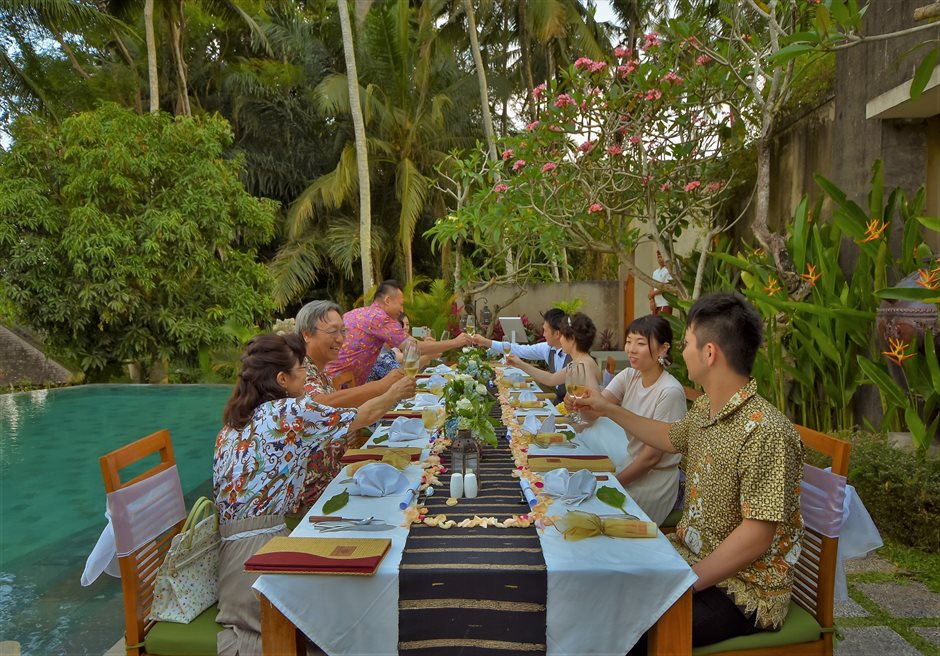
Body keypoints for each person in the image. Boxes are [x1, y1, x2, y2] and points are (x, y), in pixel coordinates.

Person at [574, 293, 804, 649]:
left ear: (709, 353)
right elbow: (667, 436)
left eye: (685, 344)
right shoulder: (706, 411)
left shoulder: (766, 431)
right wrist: (607, 408)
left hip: (741, 590)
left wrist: (683, 582)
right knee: (599, 578)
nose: (679, 353)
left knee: (626, 628)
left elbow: (757, 535)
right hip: (686, 556)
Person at [213, 333, 414, 655]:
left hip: (238, 552)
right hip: (256, 562)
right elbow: (364, 416)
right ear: (282, 379)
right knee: (338, 612)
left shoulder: (238, 420)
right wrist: (394, 392)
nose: (307, 375)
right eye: (301, 368)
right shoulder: (285, 413)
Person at [294, 300, 415, 507]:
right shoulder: (299, 370)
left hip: (337, 476)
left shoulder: (322, 372)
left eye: (343, 331)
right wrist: (382, 388)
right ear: (306, 334)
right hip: (313, 495)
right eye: (333, 332)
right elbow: (318, 406)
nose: (340, 339)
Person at [574, 315, 686, 524]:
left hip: (655, 480)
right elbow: (595, 411)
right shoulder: (629, 375)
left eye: (640, 343)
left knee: (596, 518)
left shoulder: (669, 391)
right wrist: (580, 405)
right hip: (629, 465)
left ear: (663, 349)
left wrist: (615, 483)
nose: (631, 349)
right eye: (629, 341)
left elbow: (652, 457)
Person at [326, 280, 469, 386]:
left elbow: (411, 343)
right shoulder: (380, 318)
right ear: (388, 300)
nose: (402, 310)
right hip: (342, 385)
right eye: (401, 304)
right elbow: (414, 347)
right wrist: (456, 342)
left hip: (328, 379)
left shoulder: (357, 313)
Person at [471, 308, 571, 402]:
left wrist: (520, 364)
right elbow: (518, 349)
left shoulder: (576, 356)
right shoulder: (548, 348)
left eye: (545, 330)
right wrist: (485, 342)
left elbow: (551, 379)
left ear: (557, 334)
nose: (543, 334)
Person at [505, 312, 602, 393]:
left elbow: (595, 405)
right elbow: (551, 379)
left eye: (563, 336)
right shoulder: (579, 362)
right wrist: (520, 364)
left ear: (572, 340)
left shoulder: (583, 364)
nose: (560, 340)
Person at [367, 314, 434, 383]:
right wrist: (429, 352)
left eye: (407, 324)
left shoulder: (389, 352)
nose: (405, 328)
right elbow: (403, 376)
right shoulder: (381, 355)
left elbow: (409, 368)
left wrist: (427, 348)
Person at [649, 250, 673, 316]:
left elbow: (667, 286)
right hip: (656, 304)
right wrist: (651, 301)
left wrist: (653, 294)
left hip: (665, 303)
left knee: (662, 324)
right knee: (655, 325)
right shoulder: (655, 272)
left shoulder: (669, 270)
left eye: (661, 257)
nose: (660, 259)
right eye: (658, 257)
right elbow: (652, 286)